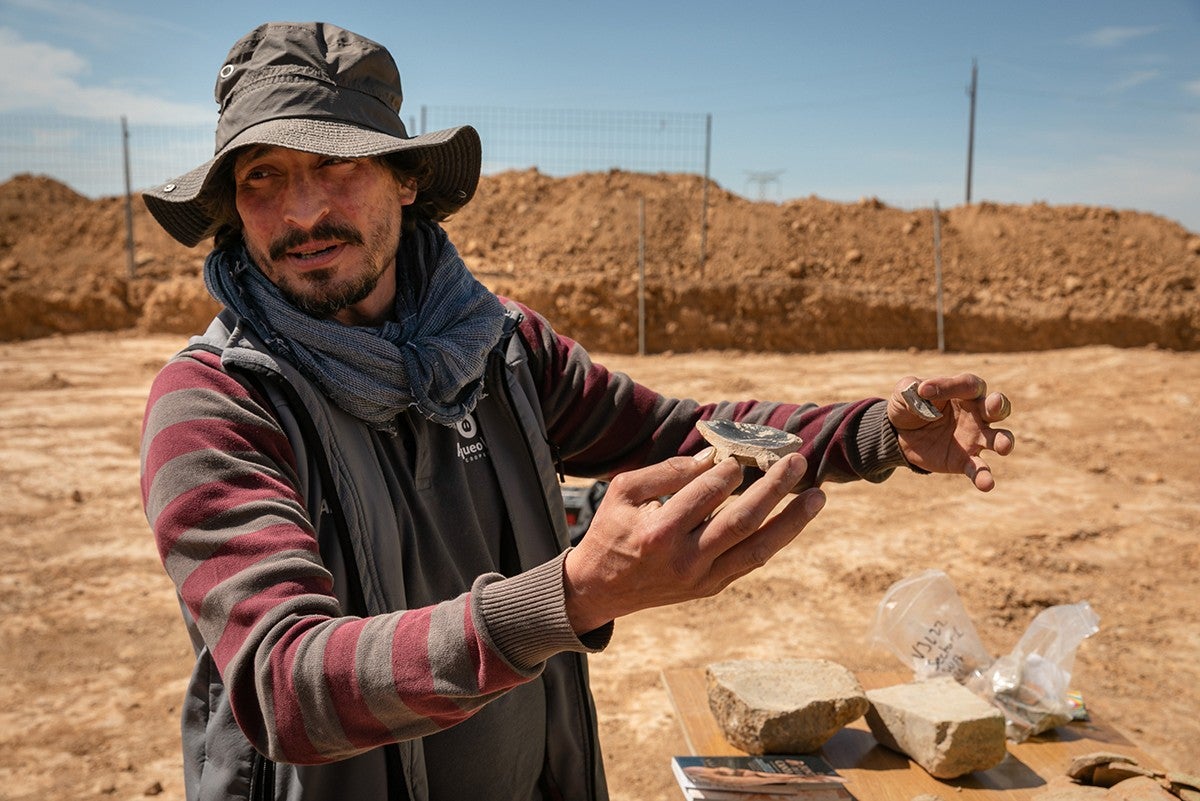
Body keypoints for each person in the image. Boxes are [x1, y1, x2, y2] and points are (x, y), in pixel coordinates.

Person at [138, 21, 1015, 801]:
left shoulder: (499, 346)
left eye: (336, 165)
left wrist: (873, 431)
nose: (301, 211)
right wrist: (570, 595)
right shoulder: (216, 402)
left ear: (406, 181)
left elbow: (680, 431)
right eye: (263, 177)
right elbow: (288, 685)